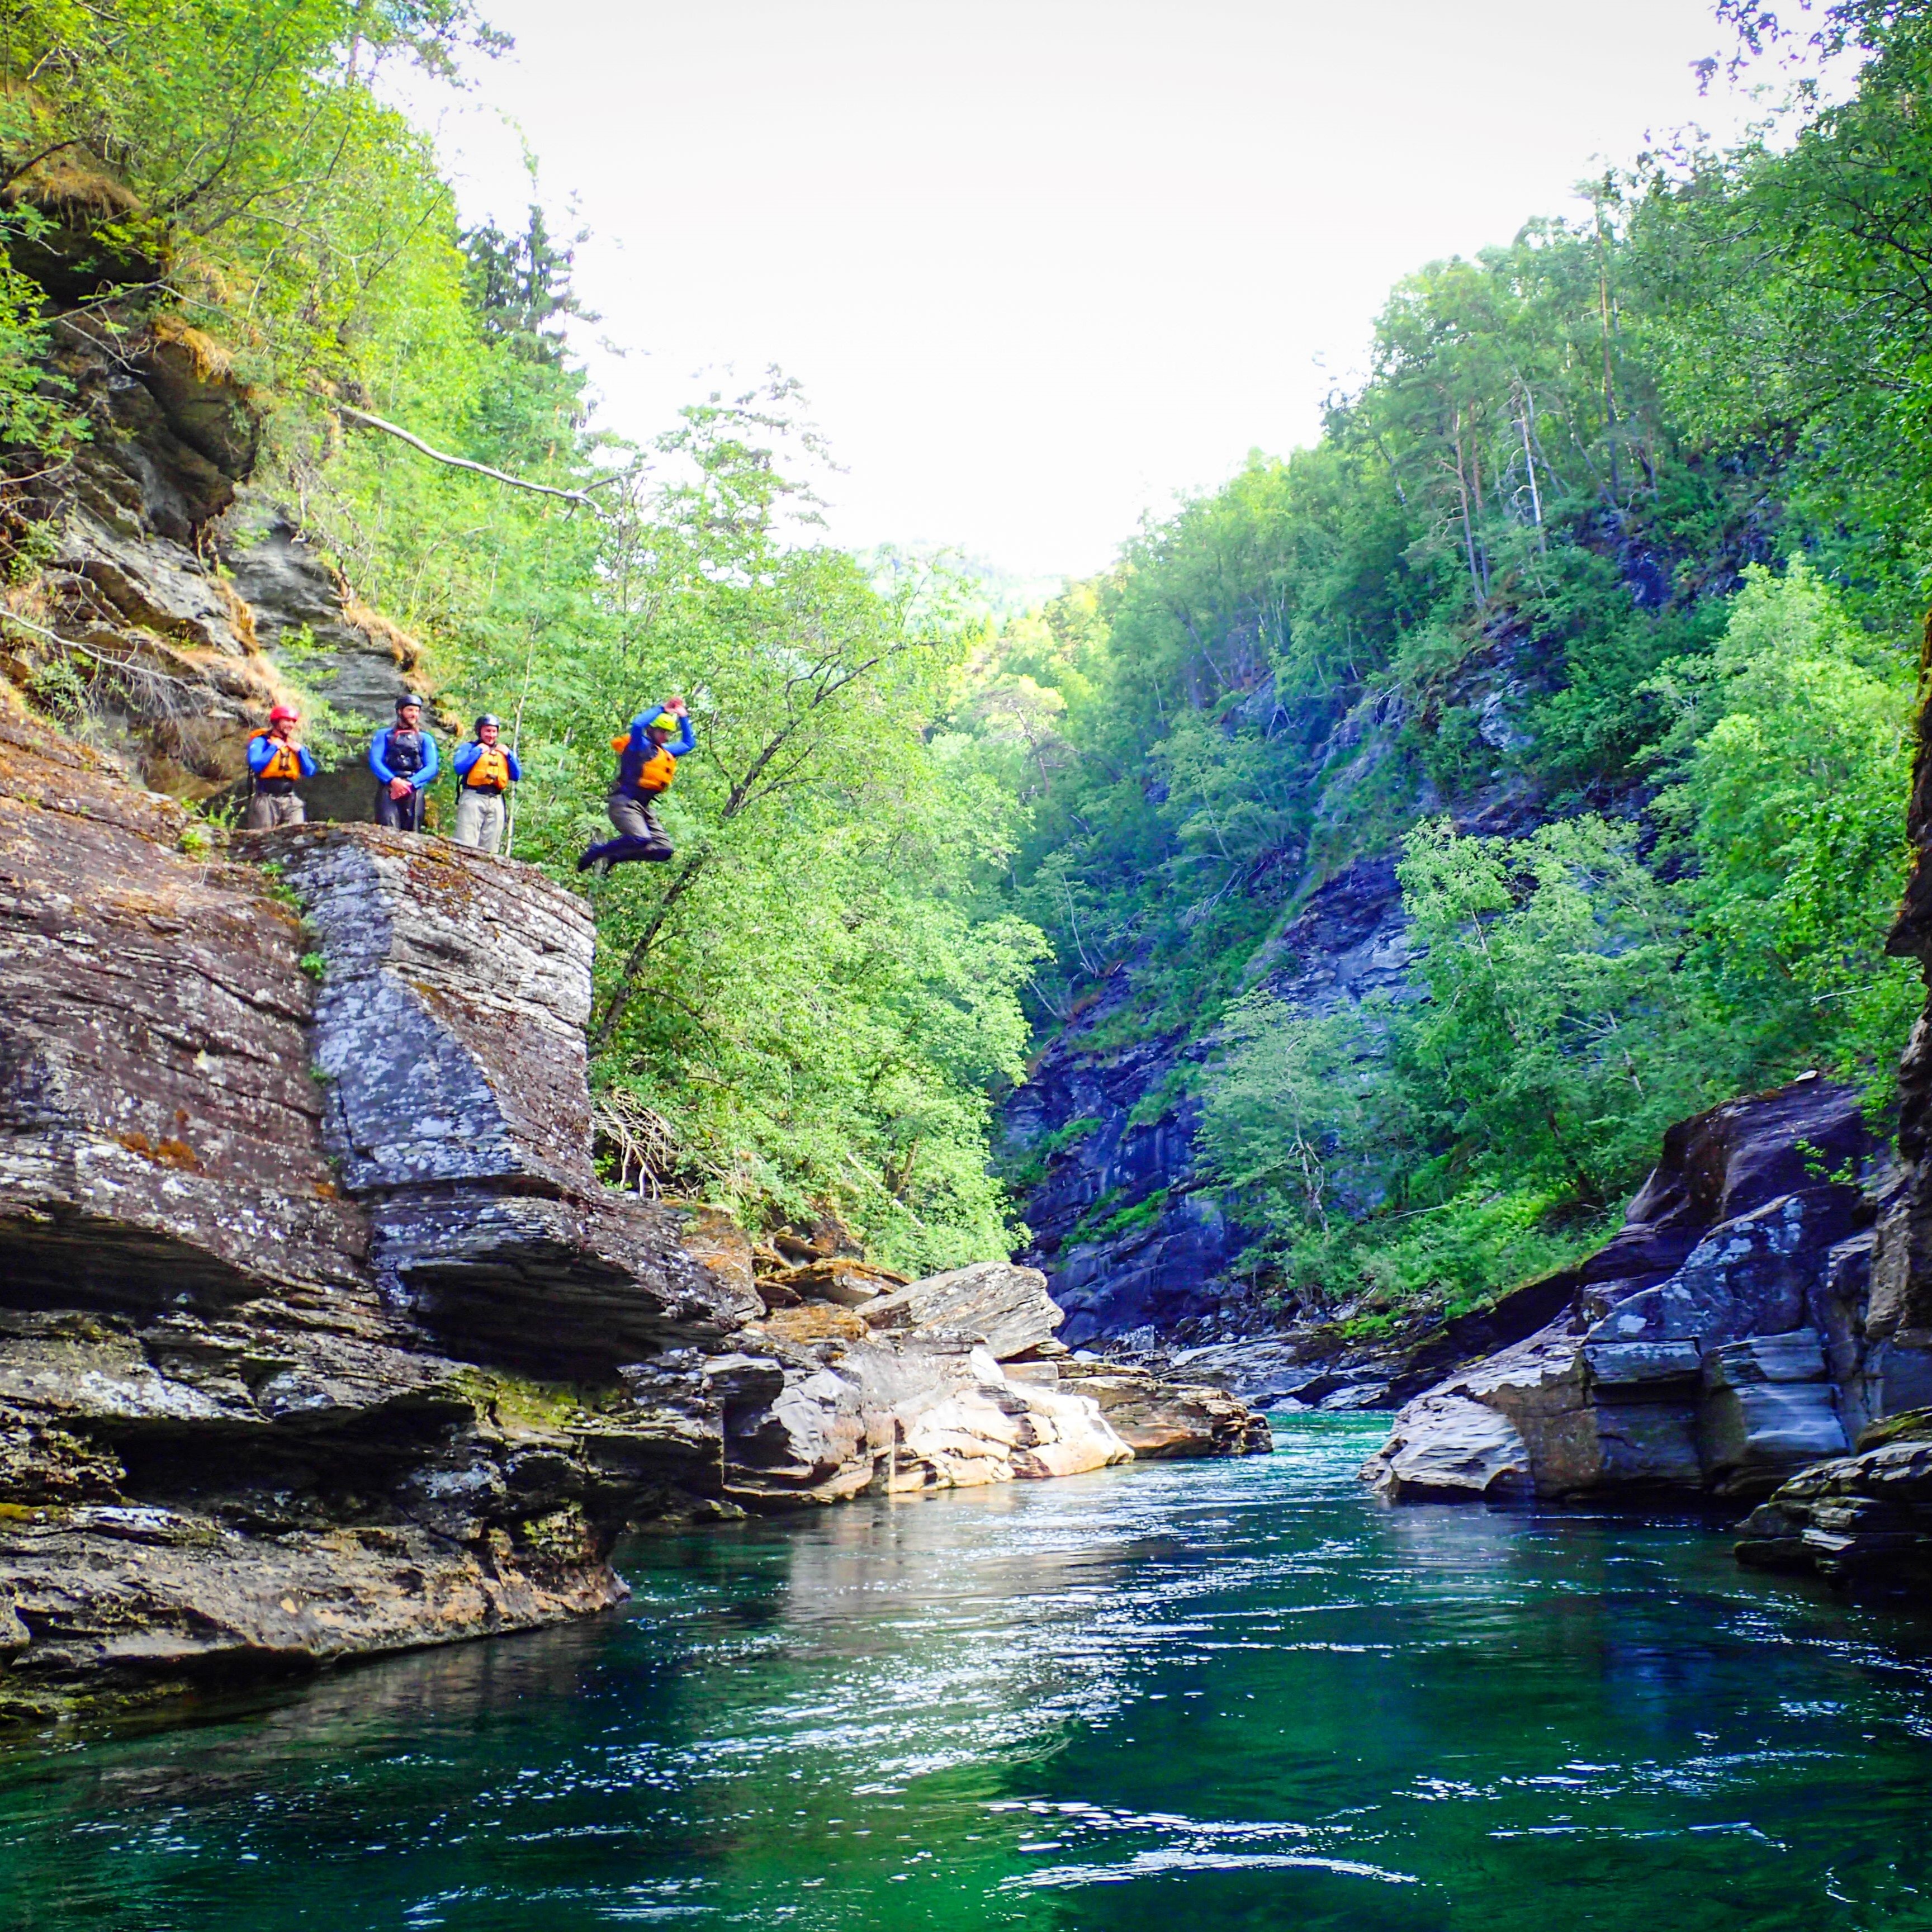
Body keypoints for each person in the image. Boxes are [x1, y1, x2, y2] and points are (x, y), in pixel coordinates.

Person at [576, 698, 693, 874]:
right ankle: (598, 851)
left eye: (669, 733)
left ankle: (615, 857)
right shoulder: (638, 745)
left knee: (664, 850)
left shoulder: (665, 752)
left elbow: (688, 744)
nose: (666, 737)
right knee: (640, 839)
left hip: (644, 808)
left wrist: (684, 717)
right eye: (663, 732)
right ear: (652, 730)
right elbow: (637, 724)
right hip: (624, 803)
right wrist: (662, 708)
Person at [451, 713, 522, 855]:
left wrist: (509, 756)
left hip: (496, 801)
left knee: (491, 848)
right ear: (480, 731)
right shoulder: (469, 748)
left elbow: (517, 775)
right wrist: (477, 752)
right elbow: (459, 768)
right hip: (473, 797)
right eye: (487, 731)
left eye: (494, 731)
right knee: (466, 843)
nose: (491, 735)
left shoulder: (504, 751)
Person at [369, 692, 439, 832]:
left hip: (413, 789)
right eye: (410, 710)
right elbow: (375, 761)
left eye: (417, 711)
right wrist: (393, 781)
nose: (414, 714)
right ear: (400, 711)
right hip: (389, 788)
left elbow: (432, 767)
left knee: (413, 832)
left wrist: (411, 784)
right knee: (387, 830)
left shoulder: (425, 738)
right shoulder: (384, 735)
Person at [244, 704, 317, 828]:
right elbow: (256, 765)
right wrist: (273, 748)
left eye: (293, 722)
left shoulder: (294, 745)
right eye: (287, 721)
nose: (291, 725)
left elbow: (310, 771)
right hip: (266, 799)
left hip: (290, 799)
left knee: (297, 832)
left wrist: (301, 752)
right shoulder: (261, 742)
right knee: (263, 838)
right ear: (276, 722)